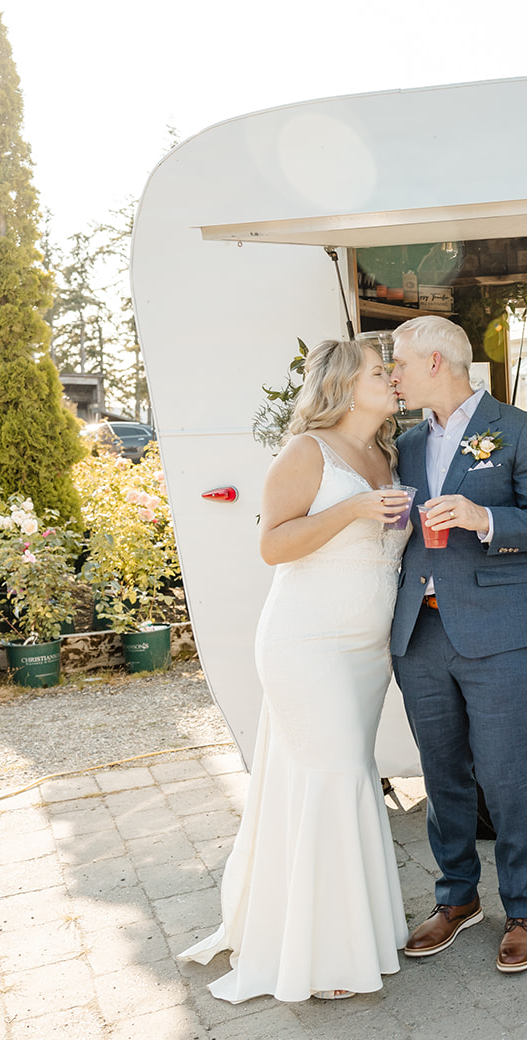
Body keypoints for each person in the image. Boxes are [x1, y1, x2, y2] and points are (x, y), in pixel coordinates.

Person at [180, 339, 413, 1002]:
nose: (391, 379)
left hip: (366, 652)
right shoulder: (306, 451)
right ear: (344, 383)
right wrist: (352, 510)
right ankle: (325, 955)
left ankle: (347, 929)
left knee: (340, 775)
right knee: (335, 774)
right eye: (379, 371)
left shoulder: (386, 455)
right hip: (306, 640)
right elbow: (272, 544)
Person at [387, 316, 527, 974]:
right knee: (441, 774)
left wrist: (481, 516)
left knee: (506, 774)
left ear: (436, 360)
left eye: (400, 363)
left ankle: (524, 907)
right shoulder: (404, 443)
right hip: (420, 631)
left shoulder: (520, 429)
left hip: (498, 632)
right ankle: (457, 897)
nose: (393, 374)